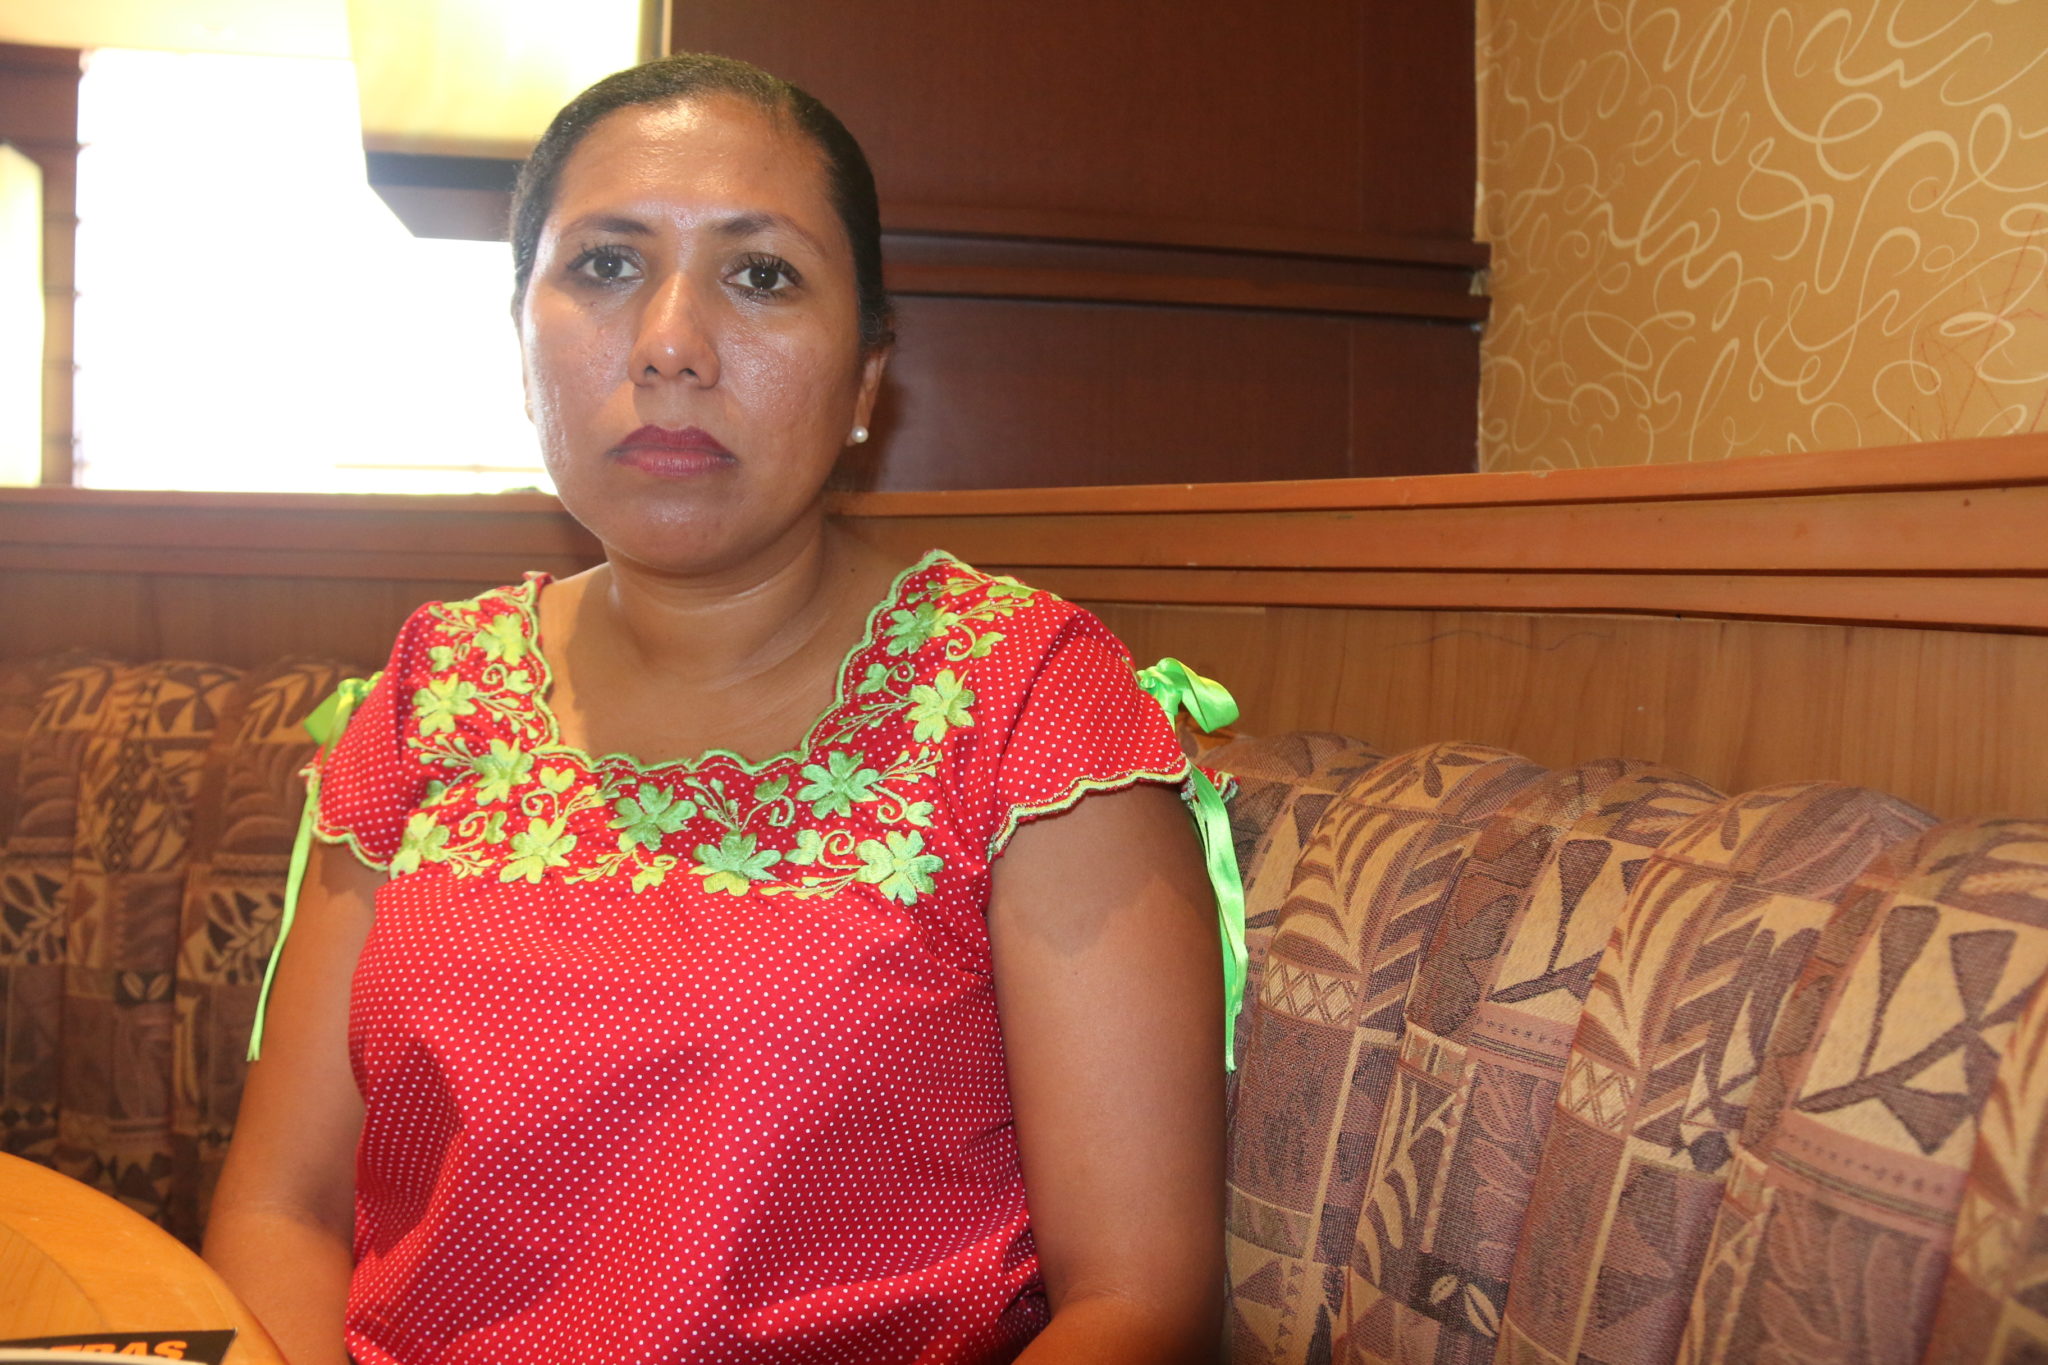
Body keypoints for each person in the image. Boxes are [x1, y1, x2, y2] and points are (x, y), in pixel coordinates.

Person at [203, 52, 1233, 1365]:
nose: (672, 343)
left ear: (867, 380)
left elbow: (1137, 1301)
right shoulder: (431, 687)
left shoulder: (1024, 698)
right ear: (519, 340)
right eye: (605, 264)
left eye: (761, 275)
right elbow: (281, 1211)